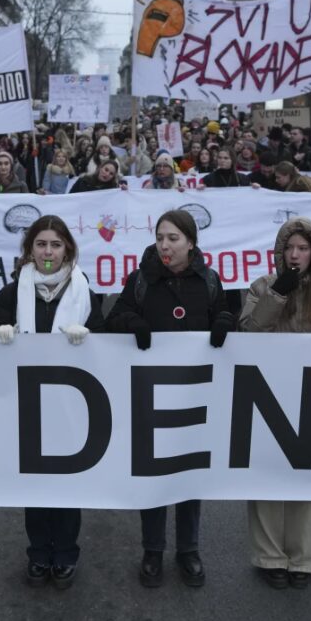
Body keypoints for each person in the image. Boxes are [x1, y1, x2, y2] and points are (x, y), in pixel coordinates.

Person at [105, 210, 235, 588]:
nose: (165, 245)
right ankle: (152, 549)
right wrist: (132, 323)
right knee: (155, 476)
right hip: (151, 395)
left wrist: (225, 321)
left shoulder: (209, 281)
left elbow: (225, 314)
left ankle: (188, 550)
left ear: (191, 243)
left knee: (190, 476)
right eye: (160, 237)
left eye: (173, 238)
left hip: (195, 395)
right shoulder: (142, 279)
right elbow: (115, 318)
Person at [0, 216, 104, 589]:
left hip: (72, 407)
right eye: (41, 245)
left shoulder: (86, 291)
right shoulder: (11, 292)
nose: (48, 252)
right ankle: (38, 553)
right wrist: (0, 334)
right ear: (29, 250)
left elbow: (107, 346)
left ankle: (65, 553)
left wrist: (91, 338)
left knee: (67, 486)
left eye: (55, 245)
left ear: (67, 247)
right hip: (27, 406)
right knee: (35, 487)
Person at [240, 217, 311, 589]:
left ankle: (303, 558)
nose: (294, 255)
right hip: (268, 393)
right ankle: (270, 555)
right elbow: (249, 332)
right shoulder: (262, 286)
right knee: (268, 477)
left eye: (302, 249)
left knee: (305, 479)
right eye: (289, 248)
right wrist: (278, 294)